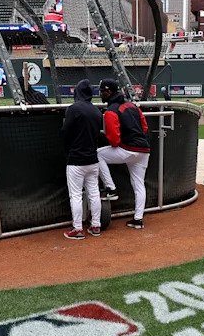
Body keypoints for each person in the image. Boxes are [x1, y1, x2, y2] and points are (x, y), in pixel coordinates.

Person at [96, 78, 151, 229]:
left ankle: (110, 187)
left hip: (128, 149)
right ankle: (138, 220)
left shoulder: (111, 111)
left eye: (102, 91)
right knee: (139, 185)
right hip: (144, 150)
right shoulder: (132, 105)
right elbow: (144, 127)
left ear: (108, 92)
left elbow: (113, 140)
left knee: (98, 155)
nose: (100, 94)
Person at [60, 79, 103, 240]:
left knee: (76, 195)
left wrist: (67, 151)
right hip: (93, 159)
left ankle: (78, 228)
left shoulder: (74, 109)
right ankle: (96, 225)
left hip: (76, 160)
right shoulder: (97, 111)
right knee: (94, 193)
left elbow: (65, 132)